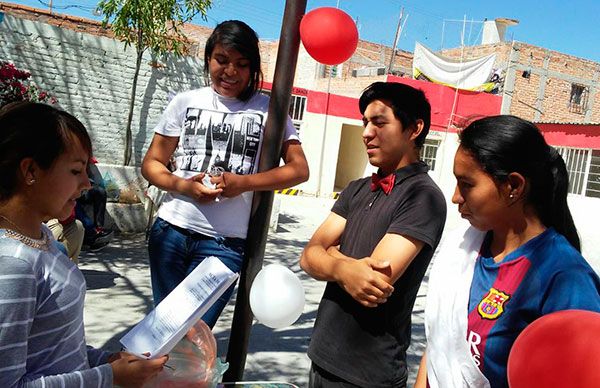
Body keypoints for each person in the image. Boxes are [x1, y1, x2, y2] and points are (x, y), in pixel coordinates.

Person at [142, 20, 309, 328]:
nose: (230, 71)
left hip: (225, 244)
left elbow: (299, 170)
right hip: (172, 231)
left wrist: (245, 183)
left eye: (242, 64)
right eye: (222, 60)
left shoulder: (269, 110)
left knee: (194, 334)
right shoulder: (185, 102)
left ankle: (187, 377)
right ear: (208, 58)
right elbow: (152, 163)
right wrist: (184, 186)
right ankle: (166, 378)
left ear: (253, 68)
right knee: (164, 330)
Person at [416, 115, 600, 388]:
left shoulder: (564, 278)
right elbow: (441, 342)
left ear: (513, 186)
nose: (455, 197)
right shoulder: (463, 250)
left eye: (466, 184)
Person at [0, 101, 167, 387]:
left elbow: (55, 349)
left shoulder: (42, 236)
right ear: (30, 171)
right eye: (76, 171)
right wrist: (109, 377)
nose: (87, 184)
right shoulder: (14, 264)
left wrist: (103, 360)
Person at [300, 82, 447, 387]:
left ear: (414, 128)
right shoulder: (356, 188)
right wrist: (343, 267)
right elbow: (308, 255)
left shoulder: (423, 196)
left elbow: (374, 281)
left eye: (380, 122)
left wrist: (331, 256)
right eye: (365, 122)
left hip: (368, 372)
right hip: (321, 355)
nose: (366, 132)